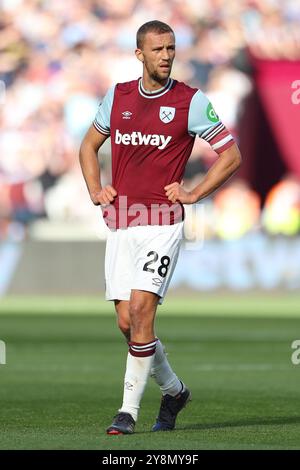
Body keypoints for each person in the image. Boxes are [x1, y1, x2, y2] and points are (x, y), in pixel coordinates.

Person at [79, 20, 241, 435]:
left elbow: (230, 154)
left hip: (162, 223)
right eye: (157, 49)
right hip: (122, 222)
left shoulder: (190, 101)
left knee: (141, 310)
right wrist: (97, 189)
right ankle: (174, 391)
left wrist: (195, 192)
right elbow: (88, 146)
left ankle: (126, 413)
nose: (166, 55)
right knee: (126, 323)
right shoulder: (119, 97)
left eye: (171, 48)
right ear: (139, 54)